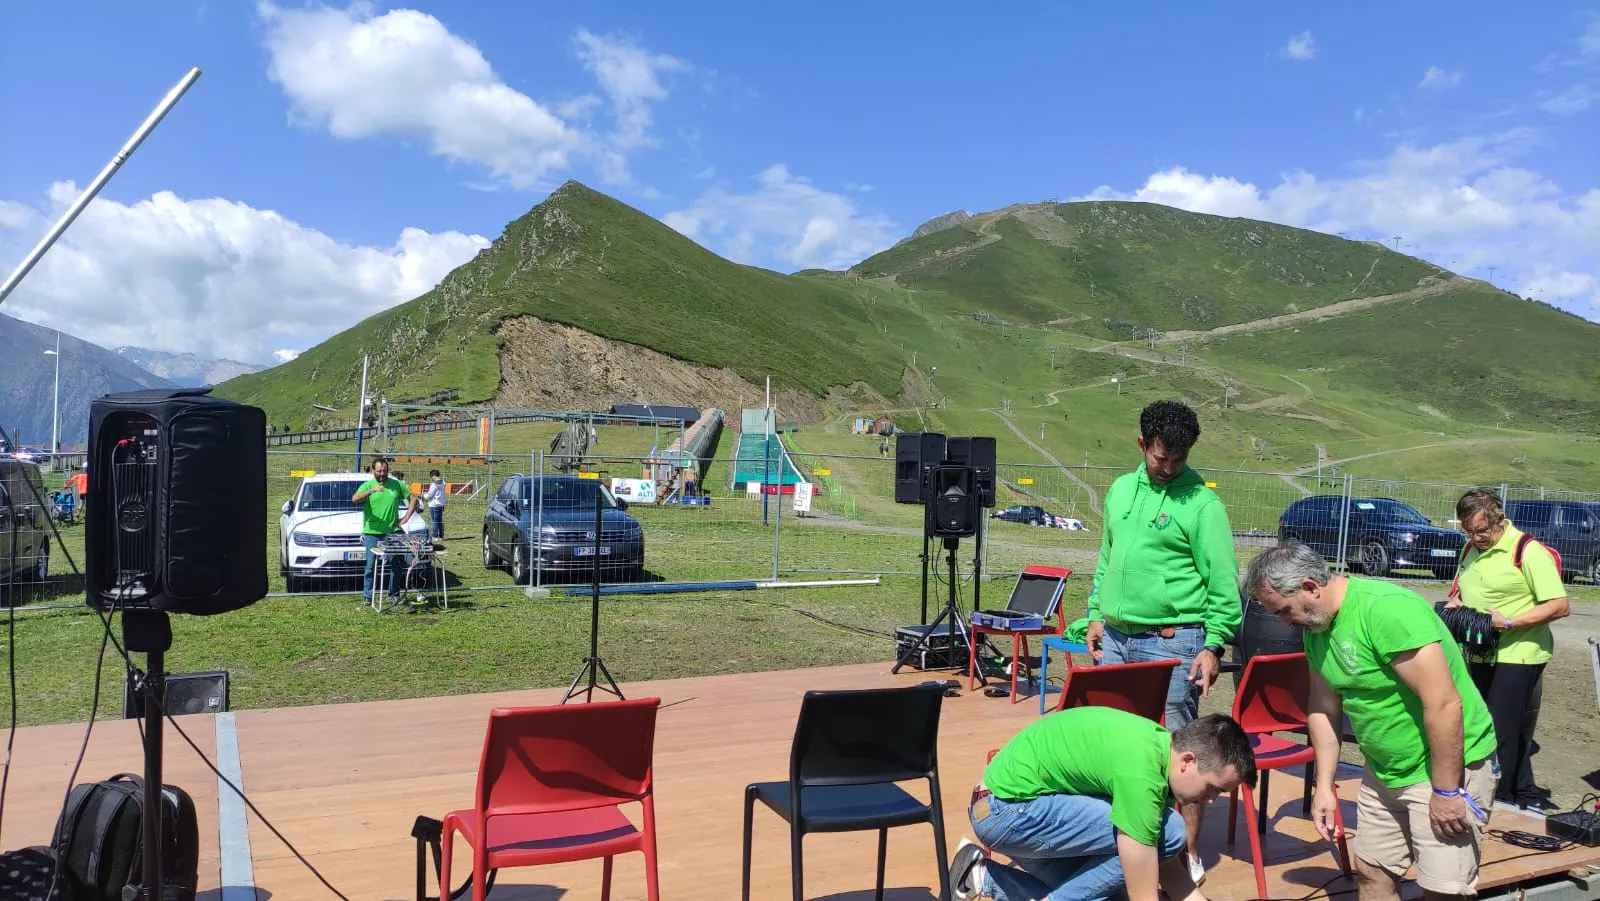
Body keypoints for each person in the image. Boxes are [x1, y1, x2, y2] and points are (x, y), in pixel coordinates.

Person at [1243, 543, 1499, 900]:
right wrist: (1324, 786)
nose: (1285, 622)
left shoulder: (1386, 611)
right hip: (1384, 771)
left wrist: (1445, 791)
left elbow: (1443, 703)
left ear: (1310, 587)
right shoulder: (1316, 629)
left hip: (1443, 768)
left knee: (1443, 890)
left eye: (1284, 610)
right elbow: (1323, 708)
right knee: (1371, 871)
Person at [1086, 399, 1241, 878]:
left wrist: (1214, 644)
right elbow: (1107, 558)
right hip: (1115, 638)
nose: (1169, 468)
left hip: (1174, 644)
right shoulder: (1119, 490)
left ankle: (1184, 858)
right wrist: (1095, 614)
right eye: (1160, 457)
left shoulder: (1203, 505)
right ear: (1142, 444)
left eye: (1179, 459)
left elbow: (1223, 581)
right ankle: (1121, 846)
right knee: (1115, 745)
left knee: (1184, 753)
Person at [948, 708, 1255, 901]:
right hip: (1007, 811)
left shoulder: (1162, 751)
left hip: (1007, 811)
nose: (1210, 800)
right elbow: (1145, 894)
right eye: (1212, 788)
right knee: (1172, 829)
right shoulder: (1142, 774)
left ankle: (981, 876)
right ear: (1188, 760)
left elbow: (1167, 869)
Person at [1447, 489, 1569, 810]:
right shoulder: (1470, 549)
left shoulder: (1528, 551)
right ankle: (1525, 795)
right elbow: (1462, 589)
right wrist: (1457, 604)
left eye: (1481, 530)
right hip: (1479, 650)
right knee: (1492, 727)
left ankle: (1500, 798)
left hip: (1519, 653)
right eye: (1469, 531)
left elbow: (1559, 605)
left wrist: (1510, 622)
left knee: (1499, 732)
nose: (1475, 538)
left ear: (1499, 519)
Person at [352, 458, 419, 605]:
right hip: (372, 532)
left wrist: (405, 518)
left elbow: (414, 499)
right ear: (373, 470)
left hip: (393, 531)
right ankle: (368, 597)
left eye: (385, 470)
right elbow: (355, 499)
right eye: (379, 471)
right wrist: (371, 491)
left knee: (396, 563)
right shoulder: (367, 485)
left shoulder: (396, 484)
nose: (382, 473)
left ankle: (393, 594)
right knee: (371, 566)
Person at [423, 469, 447, 543]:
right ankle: (441, 536)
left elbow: (430, 495)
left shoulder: (434, 485)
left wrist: (424, 495)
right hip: (441, 504)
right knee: (439, 521)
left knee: (435, 521)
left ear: (433, 476)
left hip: (434, 505)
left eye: (431, 477)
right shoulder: (443, 482)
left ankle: (435, 536)